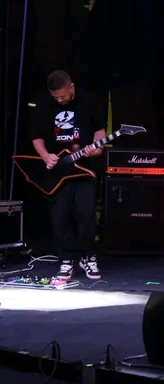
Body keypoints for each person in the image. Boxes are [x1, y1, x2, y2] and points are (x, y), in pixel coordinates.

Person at [28, 70, 106, 280]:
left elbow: (100, 133)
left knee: (86, 214)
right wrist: (46, 156)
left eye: (63, 96)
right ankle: (66, 259)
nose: (60, 100)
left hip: (84, 169)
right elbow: (36, 136)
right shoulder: (45, 105)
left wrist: (96, 149)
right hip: (58, 171)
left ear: (71, 87)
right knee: (60, 216)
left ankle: (88, 257)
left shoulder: (89, 101)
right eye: (56, 97)